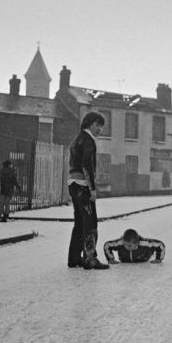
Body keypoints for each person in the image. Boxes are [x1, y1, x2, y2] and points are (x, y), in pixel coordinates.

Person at [67, 111, 109, 270]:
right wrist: (92, 188)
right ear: (89, 123)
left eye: (101, 126)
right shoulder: (88, 141)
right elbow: (87, 165)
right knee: (90, 222)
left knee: (79, 222)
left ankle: (74, 258)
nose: (100, 129)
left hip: (73, 183)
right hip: (83, 185)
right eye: (97, 125)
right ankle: (90, 258)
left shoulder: (76, 139)